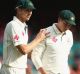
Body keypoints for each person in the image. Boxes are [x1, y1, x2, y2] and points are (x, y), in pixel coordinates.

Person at [0, 0, 48, 74]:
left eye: (31, 10)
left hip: (20, 69)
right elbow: (24, 50)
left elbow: (26, 52)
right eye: (27, 10)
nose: (30, 13)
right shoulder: (13, 25)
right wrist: (38, 39)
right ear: (18, 10)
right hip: (11, 70)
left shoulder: (23, 27)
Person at [31, 10, 76, 74]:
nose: (67, 27)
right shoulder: (45, 32)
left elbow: (64, 56)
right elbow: (35, 56)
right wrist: (43, 73)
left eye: (70, 25)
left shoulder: (69, 34)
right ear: (59, 19)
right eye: (65, 23)